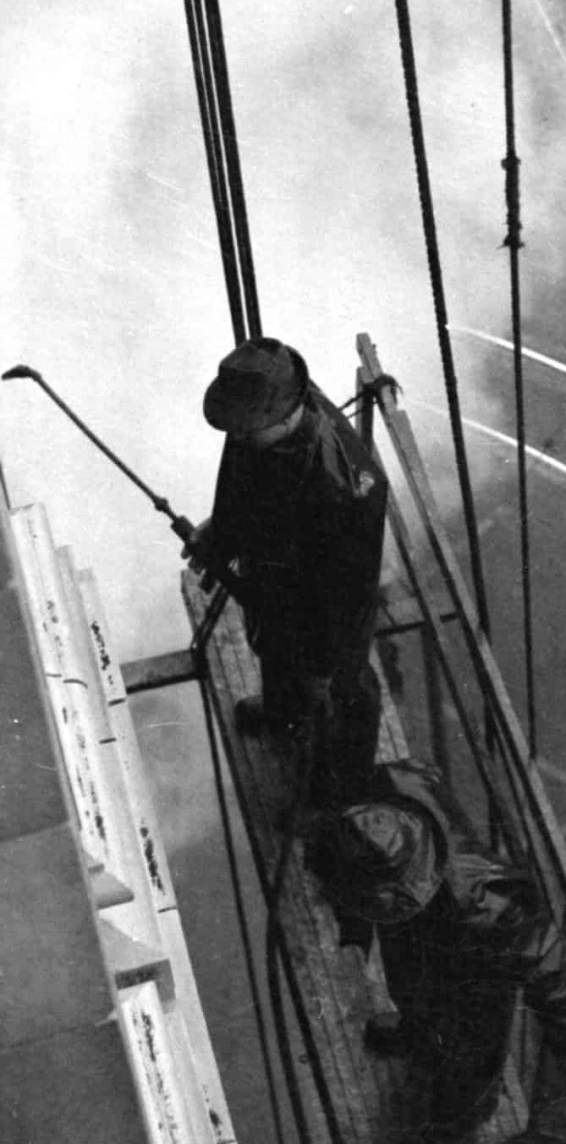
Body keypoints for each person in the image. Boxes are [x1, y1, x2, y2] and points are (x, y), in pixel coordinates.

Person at [307, 758, 566, 1144]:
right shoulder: (396, 785)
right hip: (419, 931)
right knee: (410, 986)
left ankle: (456, 1126)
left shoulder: (488, 906)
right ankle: (416, 1034)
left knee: (470, 1056)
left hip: (475, 967)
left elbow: (548, 963)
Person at [187, 338, 388, 804]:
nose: (237, 437)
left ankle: (336, 794)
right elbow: (238, 473)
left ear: (285, 417)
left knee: (341, 691)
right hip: (280, 568)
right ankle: (283, 714)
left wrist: (321, 664)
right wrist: (222, 532)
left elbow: (346, 597)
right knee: (275, 644)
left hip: (331, 600)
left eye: (246, 430)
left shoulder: (347, 491)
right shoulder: (259, 420)